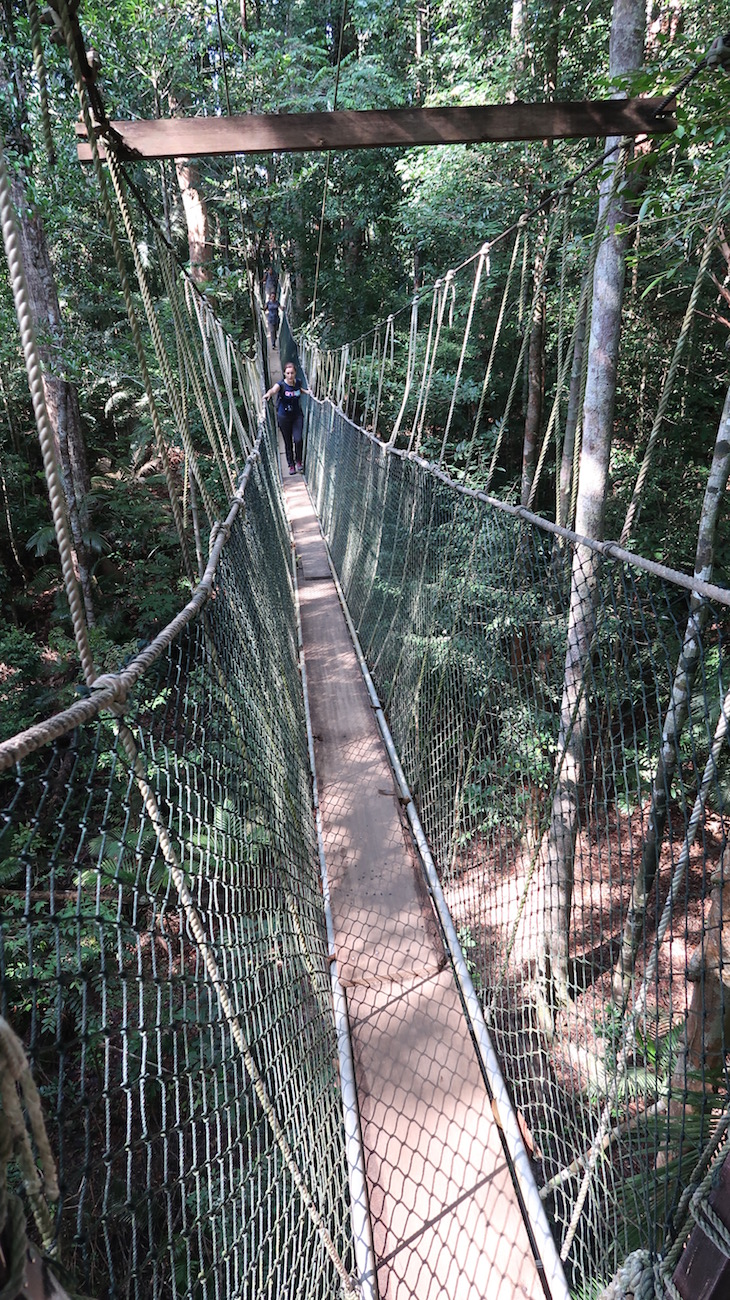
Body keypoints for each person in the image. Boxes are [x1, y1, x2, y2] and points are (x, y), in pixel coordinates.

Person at [265, 362, 308, 475]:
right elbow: (273, 390)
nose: (290, 375)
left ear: (295, 373)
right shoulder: (281, 385)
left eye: (292, 373)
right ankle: (291, 465)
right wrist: (268, 394)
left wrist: (307, 392)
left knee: (298, 439)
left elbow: (298, 390)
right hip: (284, 417)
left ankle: (299, 461)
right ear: (284, 373)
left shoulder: (298, 382)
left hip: (297, 416)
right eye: (288, 373)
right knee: (288, 441)